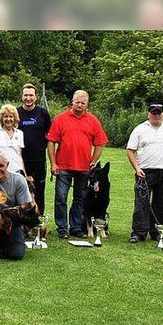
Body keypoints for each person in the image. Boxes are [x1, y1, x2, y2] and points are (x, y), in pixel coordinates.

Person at [47, 90, 108, 239]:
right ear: (72, 102)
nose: (79, 105)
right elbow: (51, 142)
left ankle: (75, 227)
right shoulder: (60, 119)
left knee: (80, 199)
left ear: (87, 104)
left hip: (84, 168)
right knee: (61, 198)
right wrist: (53, 163)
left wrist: (93, 161)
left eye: (83, 103)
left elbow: (100, 143)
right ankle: (62, 228)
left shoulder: (93, 121)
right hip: (63, 167)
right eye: (77, 102)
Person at [127, 103, 163, 243]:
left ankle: (156, 232)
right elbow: (130, 150)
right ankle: (138, 233)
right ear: (148, 114)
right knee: (141, 203)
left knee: (161, 202)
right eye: (154, 113)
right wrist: (137, 168)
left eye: (159, 113)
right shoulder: (140, 129)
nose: (156, 115)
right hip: (144, 172)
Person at [17, 83, 51, 215]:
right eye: (26, 95)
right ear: (22, 96)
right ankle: (22, 222)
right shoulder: (16, 113)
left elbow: (50, 137)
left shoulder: (43, 113)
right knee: (21, 192)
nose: (28, 98)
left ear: (36, 97)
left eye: (31, 95)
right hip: (20, 161)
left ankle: (39, 222)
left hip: (38, 160)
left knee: (39, 191)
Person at [0, 104, 26, 173]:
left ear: (15, 118)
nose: (8, 119)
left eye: (11, 116)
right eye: (5, 116)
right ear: (1, 118)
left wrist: (24, 173)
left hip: (16, 172)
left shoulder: (19, 133)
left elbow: (19, 155)